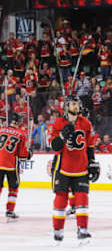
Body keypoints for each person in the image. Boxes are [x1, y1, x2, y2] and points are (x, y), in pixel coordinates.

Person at [50, 95, 99, 244]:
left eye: (77, 104)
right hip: (62, 167)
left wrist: (92, 162)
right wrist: (62, 135)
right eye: (72, 104)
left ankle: (82, 230)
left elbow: (89, 146)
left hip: (81, 168)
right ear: (66, 106)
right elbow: (54, 146)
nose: (76, 107)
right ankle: (58, 231)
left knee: (82, 198)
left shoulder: (85, 123)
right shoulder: (58, 123)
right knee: (61, 199)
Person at [0, 113, 32, 222]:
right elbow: (22, 156)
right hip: (11, 165)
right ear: (19, 122)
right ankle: (9, 211)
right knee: (13, 188)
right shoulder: (21, 134)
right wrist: (29, 154)